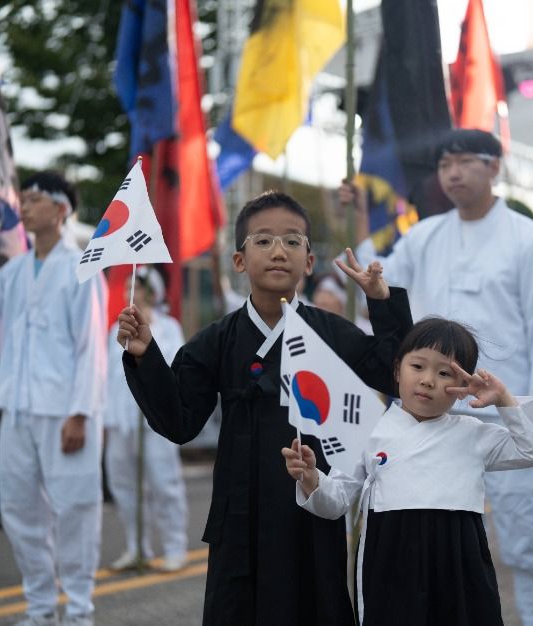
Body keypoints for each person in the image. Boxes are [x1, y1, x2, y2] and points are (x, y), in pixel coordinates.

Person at [116, 191, 414, 626]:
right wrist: (146, 356)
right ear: (239, 261)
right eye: (263, 240)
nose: (279, 251)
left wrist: (382, 302)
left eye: (292, 241)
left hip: (310, 513)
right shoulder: (216, 340)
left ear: (309, 262)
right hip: (240, 518)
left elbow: (398, 374)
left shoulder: (331, 332)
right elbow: (179, 421)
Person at [347, 128, 533, 625]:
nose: (452, 173)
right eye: (445, 164)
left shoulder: (529, 240)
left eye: (465, 162)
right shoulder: (424, 236)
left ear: (494, 167)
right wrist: (358, 217)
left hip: (501, 418)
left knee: (527, 538)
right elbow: (379, 287)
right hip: (429, 418)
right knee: (430, 545)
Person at [282, 318, 533, 625]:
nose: (428, 380)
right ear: (398, 370)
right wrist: (311, 478)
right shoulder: (370, 430)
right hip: (390, 559)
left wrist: (503, 398)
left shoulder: (473, 433)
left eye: (444, 373)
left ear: (463, 388)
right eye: (418, 366)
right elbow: (336, 502)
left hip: (459, 559)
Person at [0, 171, 107, 626]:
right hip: (16, 409)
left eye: (35, 199)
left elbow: (91, 347)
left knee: (75, 510)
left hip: (64, 412)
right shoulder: (14, 271)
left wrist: (80, 413)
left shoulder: (82, 267)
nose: (26, 206)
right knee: (19, 512)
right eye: (24, 198)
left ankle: (78, 612)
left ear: (61, 209)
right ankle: (41, 609)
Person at [105, 265, 189, 572]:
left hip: (154, 422)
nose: (131, 293)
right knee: (123, 485)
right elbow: (108, 377)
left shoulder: (169, 328)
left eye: (137, 287)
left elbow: (172, 369)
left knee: (164, 483)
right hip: (120, 421)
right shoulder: (114, 331)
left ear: (152, 293)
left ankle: (175, 546)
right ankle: (136, 546)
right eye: (128, 286)